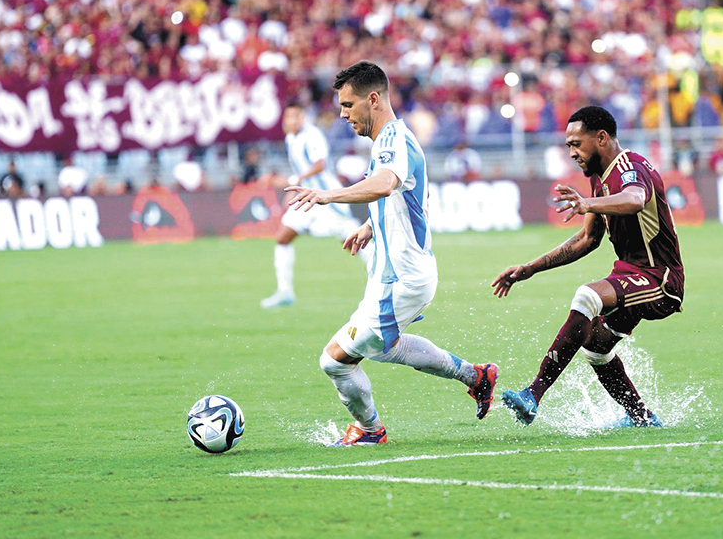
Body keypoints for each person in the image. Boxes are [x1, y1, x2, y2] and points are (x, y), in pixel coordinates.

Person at [284, 61, 498, 446]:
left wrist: (327, 194)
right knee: (386, 347)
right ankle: (476, 376)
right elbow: (411, 192)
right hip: (397, 273)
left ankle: (370, 430)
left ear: (373, 98)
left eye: (348, 105)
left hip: (400, 277)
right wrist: (370, 227)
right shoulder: (390, 140)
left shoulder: (393, 142)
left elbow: (384, 184)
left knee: (334, 360)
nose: (342, 114)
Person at [492, 105, 684, 429]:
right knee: (595, 346)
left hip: (659, 279)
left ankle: (533, 394)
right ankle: (642, 417)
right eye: (568, 145)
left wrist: (588, 203)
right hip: (631, 275)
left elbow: (635, 198)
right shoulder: (599, 180)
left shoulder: (630, 167)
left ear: (602, 138)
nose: (571, 153)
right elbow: (586, 239)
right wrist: (531, 268)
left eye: (576, 144)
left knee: (586, 297)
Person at [261, 103, 371, 309]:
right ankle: (285, 291)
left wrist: (295, 179)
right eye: (288, 117)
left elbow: (320, 164)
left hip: (326, 198)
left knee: (352, 241)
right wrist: (295, 189)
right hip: (306, 198)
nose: (292, 121)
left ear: (303, 117)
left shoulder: (312, 135)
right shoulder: (290, 138)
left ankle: (387, 276)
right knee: (282, 238)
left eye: (296, 116)